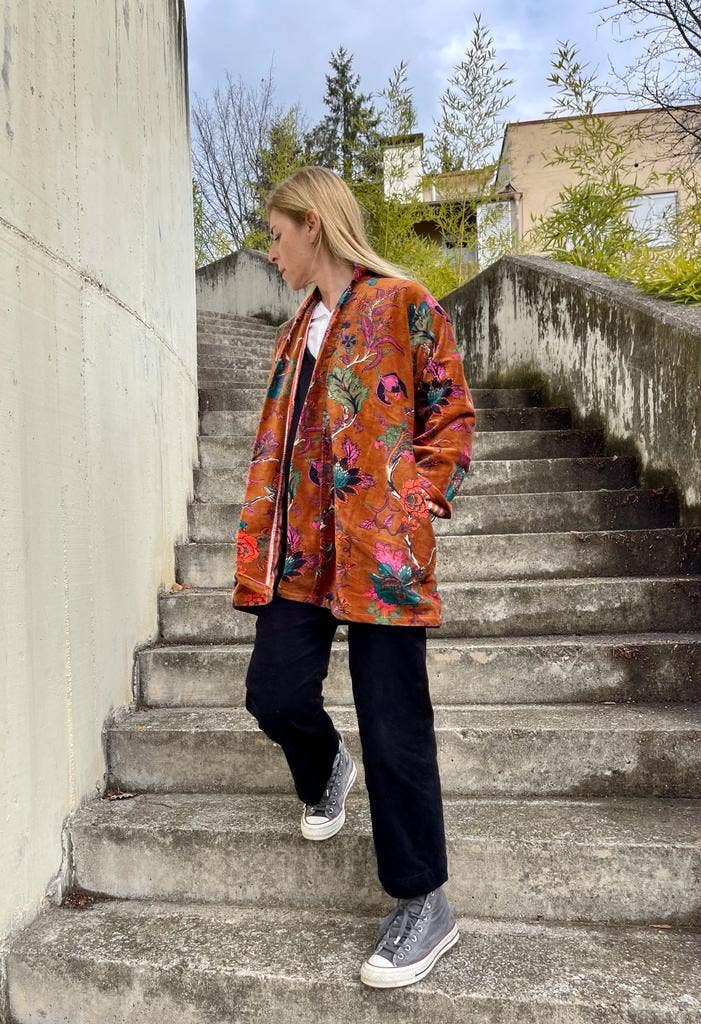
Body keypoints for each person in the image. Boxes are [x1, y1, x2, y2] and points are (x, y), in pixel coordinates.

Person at [232, 165, 476, 989]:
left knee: (393, 722)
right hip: (300, 547)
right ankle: (325, 766)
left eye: (276, 235)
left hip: (380, 549)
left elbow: (450, 410)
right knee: (274, 695)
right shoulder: (294, 331)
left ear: (312, 224)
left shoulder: (402, 302)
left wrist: (419, 493)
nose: (271, 252)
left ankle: (423, 902)